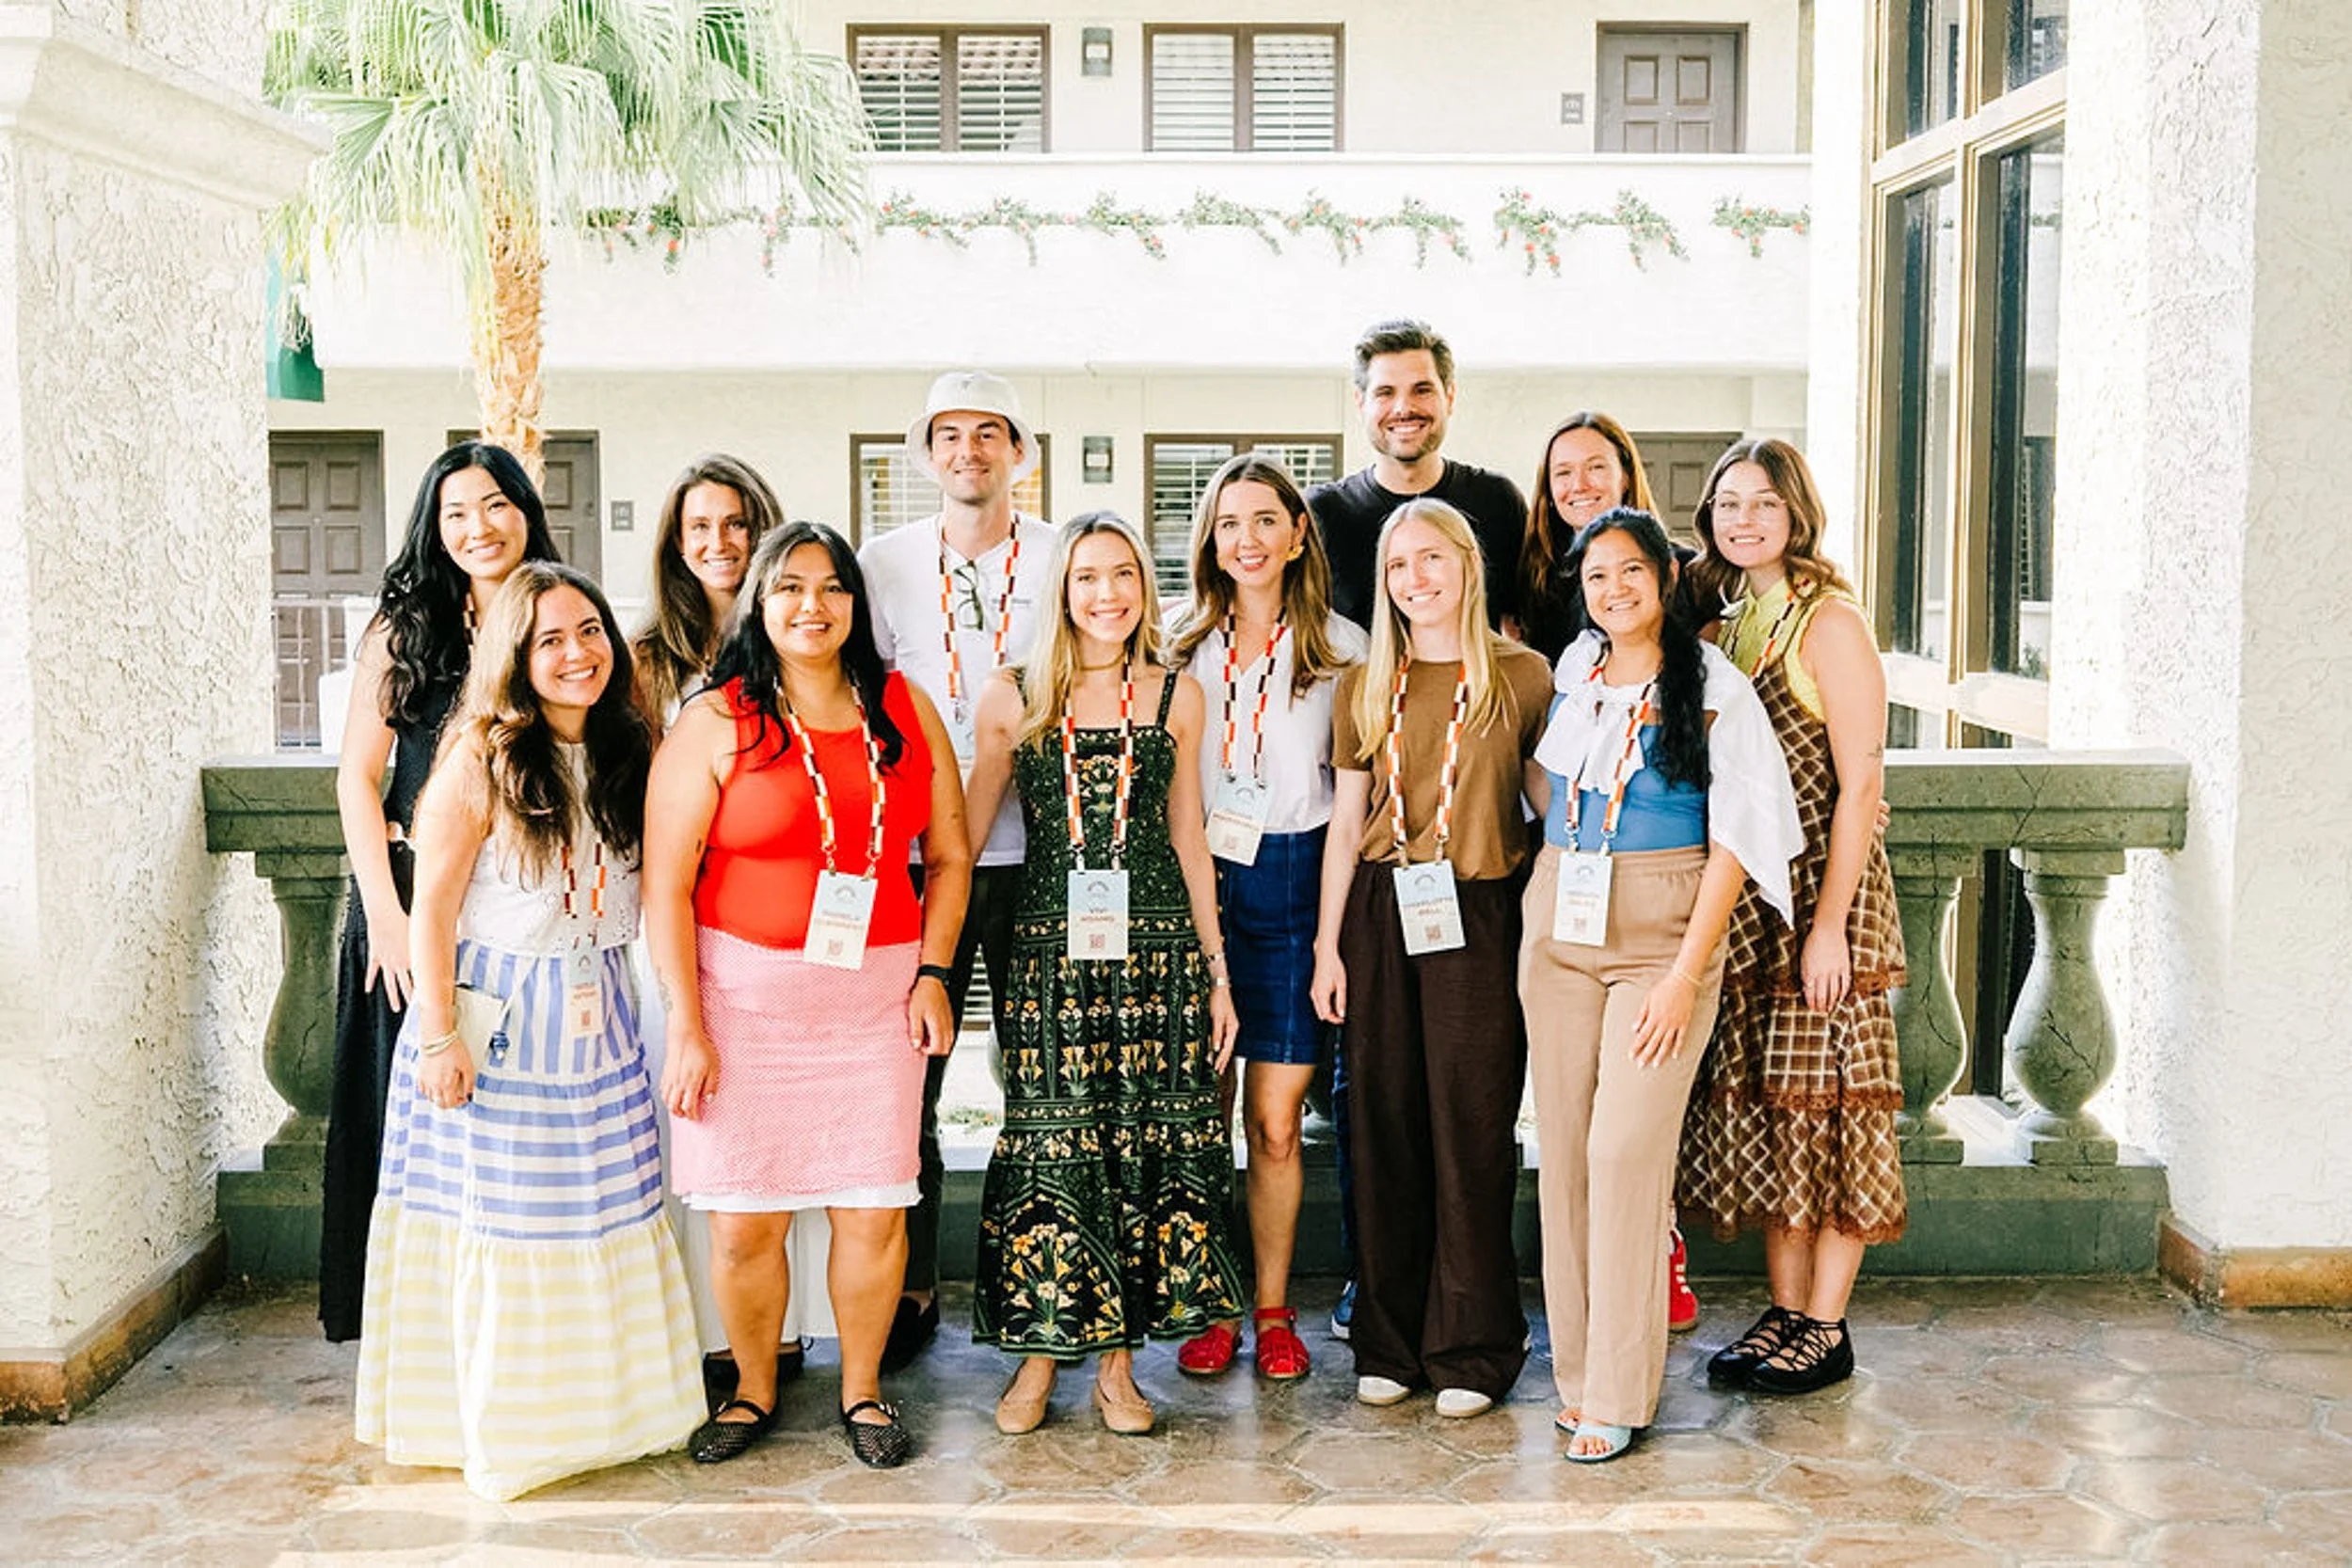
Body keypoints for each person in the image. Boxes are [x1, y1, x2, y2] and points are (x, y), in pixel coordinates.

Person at [353, 562, 703, 1500]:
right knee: (511, 1230)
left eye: (589, 630)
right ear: (515, 653)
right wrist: (437, 1037)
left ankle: (612, 1419)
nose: (576, 652)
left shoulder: (637, 744)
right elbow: (431, 908)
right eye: (549, 638)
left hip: (605, 1014)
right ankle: (513, 1430)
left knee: (607, 1216)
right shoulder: (479, 754)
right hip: (500, 1022)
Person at [647, 522, 972, 1468]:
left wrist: (935, 973)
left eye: (832, 588)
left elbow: (948, 856)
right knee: (747, 1218)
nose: (811, 606)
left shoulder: (904, 709)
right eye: (788, 586)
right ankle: (751, 1389)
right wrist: (688, 1024)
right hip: (740, 1009)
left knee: (873, 1209)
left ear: (857, 608)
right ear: (759, 601)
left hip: (875, 1010)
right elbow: (665, 880)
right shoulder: (716, 718)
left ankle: (862, 1389)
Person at [1518, 510, 1802, 1463]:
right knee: (1560, 1151)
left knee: (1622, 1152)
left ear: (1665, 575)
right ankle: (1576, 1375)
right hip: (1560, 916)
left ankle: (1620, 1387)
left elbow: (1740, 839)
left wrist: (1686, 971)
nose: (1611, 590)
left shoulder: (1716, 686)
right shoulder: (1571, 672)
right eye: (1594, 576)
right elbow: (1545, 787)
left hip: (1662, 932)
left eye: (1628, 571)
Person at [961, 512, 1244, 1437]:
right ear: (1062, 589)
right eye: (1087, 576)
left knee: (1142, 1150)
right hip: (1048, 956)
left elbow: (1188, 836)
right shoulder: (1011, 696)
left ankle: (1119, 1369)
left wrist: (1215, 971)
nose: (1108, 593)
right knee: (1052, 1145)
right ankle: (1040, 1354)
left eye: (1123, 573)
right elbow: (963, 842)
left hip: (1157, 953)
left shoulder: (1177, 695)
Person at [1311, 498, 1552, 1418]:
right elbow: (1343, 826)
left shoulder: (1524, 676)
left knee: (1473, 1127)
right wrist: (1329, 947)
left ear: (1466, 560)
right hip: (1382, 905)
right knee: (1381, 1125)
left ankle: (1474, 1345)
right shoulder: (1365, 681)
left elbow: (1552, 806)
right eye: (1397, 564)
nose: (1415, 578)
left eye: (1430, 558)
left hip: (1482, 910)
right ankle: (1390, 1338)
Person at [1677, 438, 1909, 1396]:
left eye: (1761, 502)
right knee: (1776, 1114)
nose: (1743, 518)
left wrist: (1829, 924)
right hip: (1751, 907)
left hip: (1823, 898)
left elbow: (1860, 784)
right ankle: (1784, 1311)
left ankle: (1825, 1320)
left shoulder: (1828, 620)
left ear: (1796, 511)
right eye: (1727, 503)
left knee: (1835, 1109)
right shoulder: (1722, 622)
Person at [321, 441, 558, 1342]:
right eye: (456, 511)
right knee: (406, 1111)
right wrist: (386, 914)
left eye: (495, 505)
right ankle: (405, 1324)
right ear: (434, 525)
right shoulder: (404, 628)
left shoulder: (553, 616)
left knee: (501, 1117)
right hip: (407, 894)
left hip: (516, 904)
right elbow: (356, 779)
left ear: (525, 511)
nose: (478, 527)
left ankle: (498, 1317)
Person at [859, 371, 1061, 1373]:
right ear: (926, 454)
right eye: (950, 434)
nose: (969, 450)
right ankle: (907, 1284)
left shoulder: (1066, 553)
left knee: (1036, 1079)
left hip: (1046, 859)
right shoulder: (881, 562)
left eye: (990, 433)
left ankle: (1039, 1288)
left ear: (1019, 451)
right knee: (911, 1080)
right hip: (914, 860)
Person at [627, 453, 831, 1402]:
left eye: (737, 524)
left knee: (778, 1135)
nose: (719, 543)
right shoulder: (642, 662)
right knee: (693, 1135)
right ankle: (703, 1343)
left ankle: (780, 1338)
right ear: (675, 542)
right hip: (672, 923)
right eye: (699, 527)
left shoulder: (797, 646)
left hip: (774, 941)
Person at [1166, 456, 1366, 1382]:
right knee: (1202, 1114)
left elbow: (1350, 811)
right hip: (1200, 884)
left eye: (1263, 520)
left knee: (1276, 1122)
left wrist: (1329, 940)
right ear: (1209, 539)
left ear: (1295, 534)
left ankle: (1275, 1308)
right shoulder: (1175, 648)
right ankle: (1210, 1301)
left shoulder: (1343, 647)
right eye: (1226, 521)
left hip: (1295, 887)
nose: (1244, 538)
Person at [1308, 320, 1527, 633]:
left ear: (1449, 397)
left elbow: (1526, 623)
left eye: (1421, 390)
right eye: (1385, 392)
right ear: (1361, 403)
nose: (1404, 408)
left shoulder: (1496, 500)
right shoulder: (1323, 514)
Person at [1512, 414, 1661, 663]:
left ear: (1624, 477)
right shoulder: (1534, 575)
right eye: (1563, 472)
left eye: (1595, 467)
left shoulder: (1679, 571)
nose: (1579, 485)